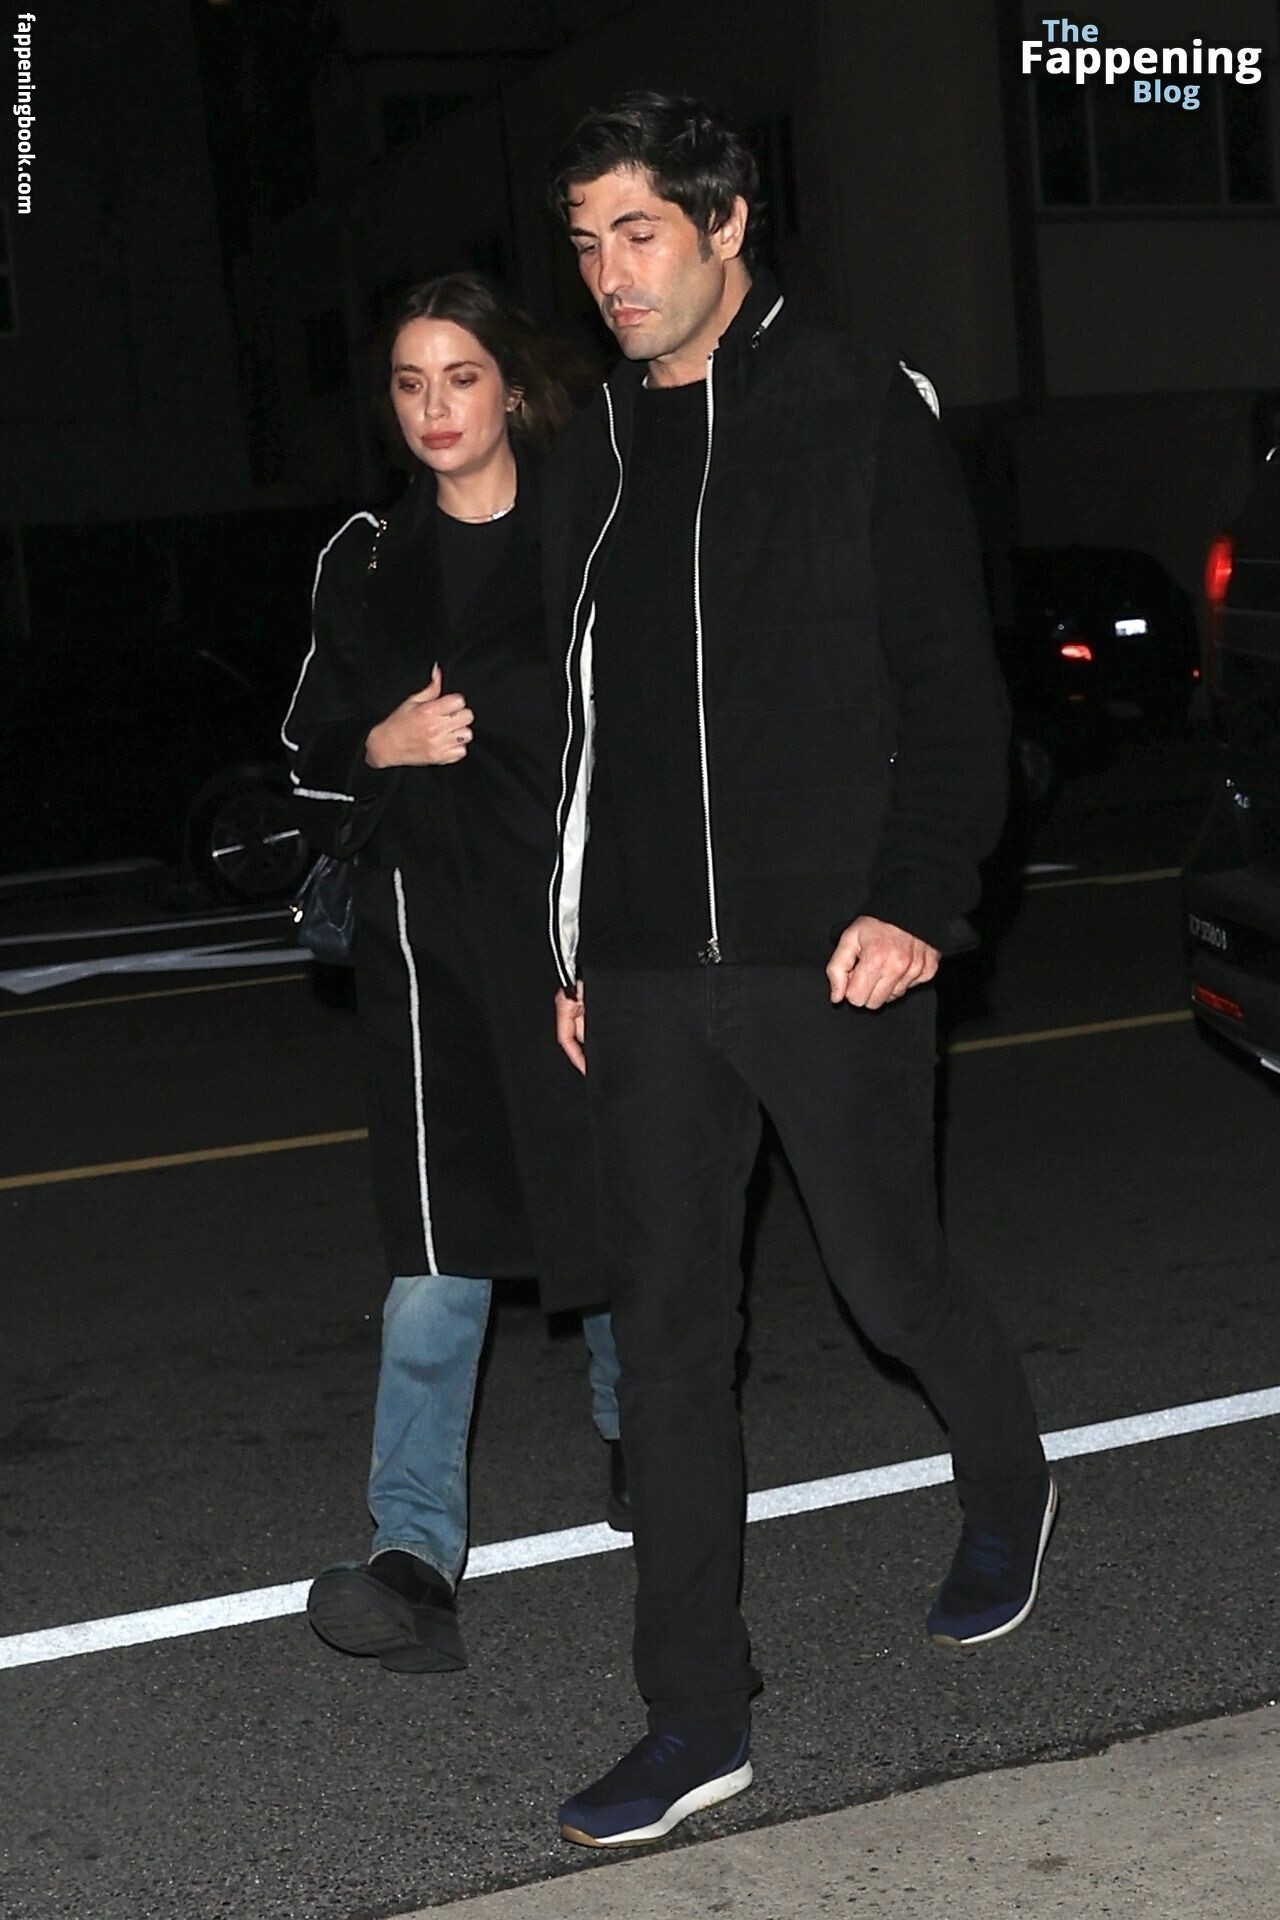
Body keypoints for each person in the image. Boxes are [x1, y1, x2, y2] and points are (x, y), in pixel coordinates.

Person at [542, 92, 1055, 1845]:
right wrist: (574, 944)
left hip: (833, 952)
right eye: (587, 243)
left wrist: (916, 899)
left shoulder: (857, 405)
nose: (611, 274)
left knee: (889, 1286)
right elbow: (580, 728)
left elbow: (956, 690)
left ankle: (1009, 1485)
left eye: (639, 233)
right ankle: (697, 1714)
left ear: (726, 224)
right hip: (647, 972)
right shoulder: (601, 447)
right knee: (667, 1341)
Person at [283, 272, 626, 1677]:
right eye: (411, 383)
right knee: (435, 1257)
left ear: (512, 388)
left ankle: (647, 1445)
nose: (435, 407)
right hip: (424, 951)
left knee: (610, 1212)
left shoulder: (590, 531)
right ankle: (412, 1558)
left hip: (577, 934)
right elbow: (305, 762)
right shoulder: (366, 562)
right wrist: (382, 747)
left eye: (461, 377)